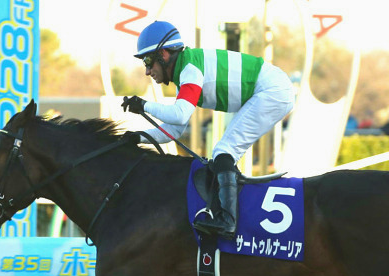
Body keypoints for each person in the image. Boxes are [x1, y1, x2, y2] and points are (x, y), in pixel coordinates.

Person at [121, 21, 295, 239]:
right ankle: (228, 212)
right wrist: (137, 137)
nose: (147, 71)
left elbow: (180, 114)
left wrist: (144, 105)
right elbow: (174, 130)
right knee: (223, 153)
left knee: (223, 151)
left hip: (272, 90)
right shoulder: (185, 71)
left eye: (147, 61)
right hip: (270, 89)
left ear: (163, 55)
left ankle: (228, 221)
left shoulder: (190, 69)